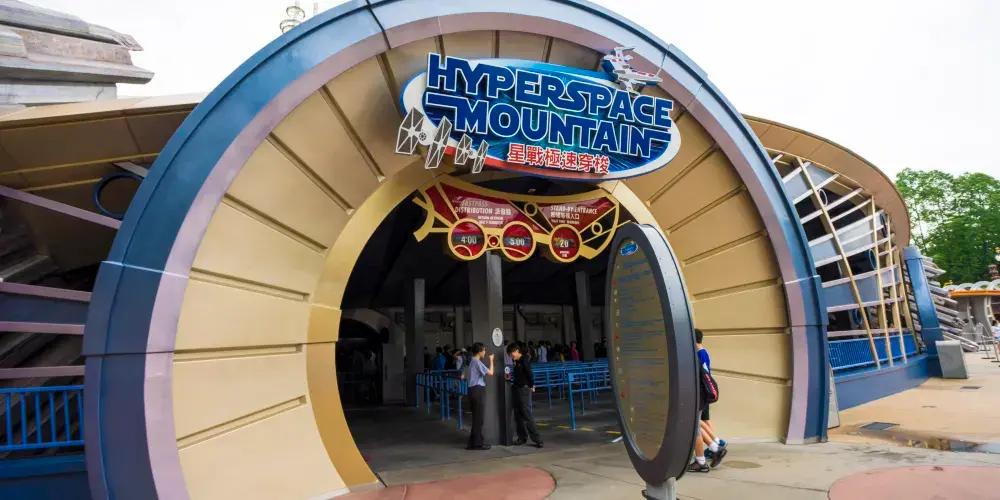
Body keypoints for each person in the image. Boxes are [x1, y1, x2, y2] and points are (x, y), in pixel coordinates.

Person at [688, 328, 726, 472]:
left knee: (696, 427)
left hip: (699, 394)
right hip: (702, 394)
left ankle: (702, 460)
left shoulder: (698, 354)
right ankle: (715, 446)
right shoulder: (701, 353)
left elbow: (701, 375)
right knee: (698, 423)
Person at [507, 343, 543, 448]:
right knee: (518, 415)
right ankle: (522, 437)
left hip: (524, 389)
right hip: (516, 388)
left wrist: (532, 385)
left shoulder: (524, 360)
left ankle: (537, 439)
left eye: (512, 353)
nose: (511, 356)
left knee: (526, 414)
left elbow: (529, 373)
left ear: (517, 350)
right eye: (510, 354)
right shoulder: (516, 361)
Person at [462, 342, 495, 450]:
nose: (485, 352)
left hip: (471, 390)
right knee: (479, 419)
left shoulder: (470, 361)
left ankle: (472, 443)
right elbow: (491, 372)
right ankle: (478, 444)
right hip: (478, 390)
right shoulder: (477, 362)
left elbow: (464, 376)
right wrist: (491, 360)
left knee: (476, 418)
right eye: (484, 350)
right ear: (480, 351)